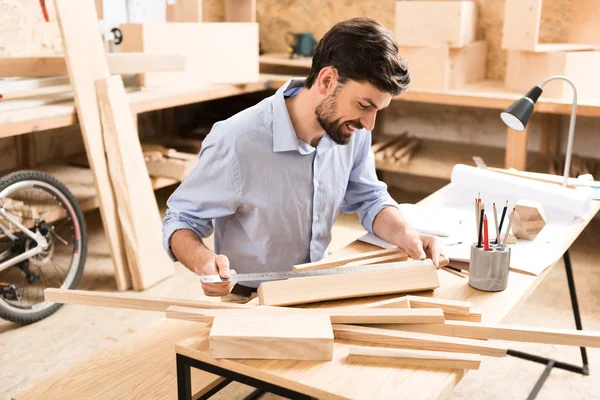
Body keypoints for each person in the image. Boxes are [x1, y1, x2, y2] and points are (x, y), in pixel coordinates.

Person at [162, 17, 441, 303]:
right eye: (364, 105)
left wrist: (407, 234)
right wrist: (203, 261)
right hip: (251, 299)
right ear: (327, 80)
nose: (369, 124)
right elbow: (181, 219)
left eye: (377, 110)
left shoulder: (351, 130)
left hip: (318, 286)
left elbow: (369, 197)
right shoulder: (235, 142)